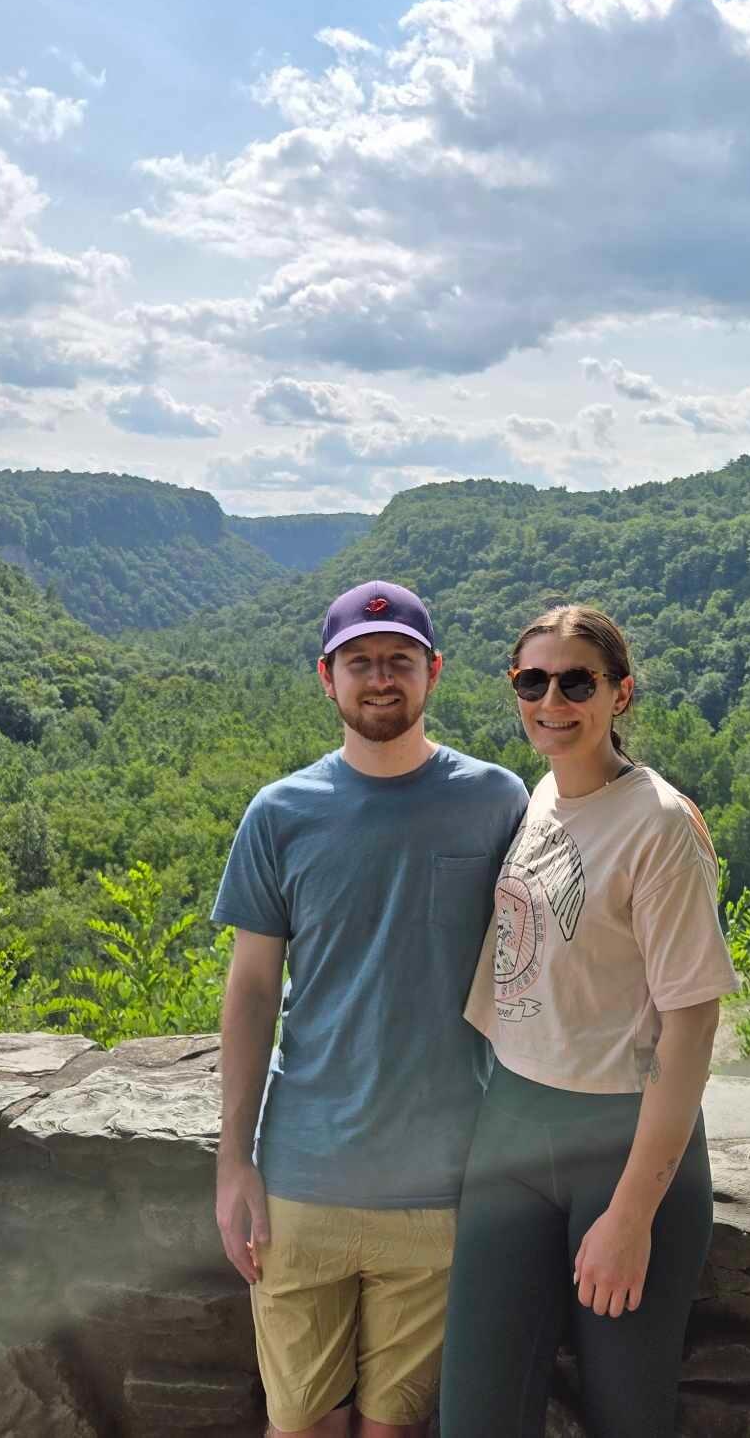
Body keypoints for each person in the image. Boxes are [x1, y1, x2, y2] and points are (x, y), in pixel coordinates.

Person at [211, 580, 528, 1438]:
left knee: (395, 1433)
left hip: (442, 1192)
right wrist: (233, 1161)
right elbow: (250, 992)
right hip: (302, 1182)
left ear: (434, 672)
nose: (380, 679)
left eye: (398, 661)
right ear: (327, 677)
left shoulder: (498, 801)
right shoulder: (279, 815)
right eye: (360, 662)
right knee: (302, 1428)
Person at [440, 605, 739, 1437]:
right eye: (532, 681)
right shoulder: (542, 795)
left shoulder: (661, 827)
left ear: (621, 694)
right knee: (473, 1411)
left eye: (578, 682)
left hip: (620, 1143)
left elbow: (692, 1026)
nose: (552, 701)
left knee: (626, 1413)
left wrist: (632, 1216)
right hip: (511, 1126)